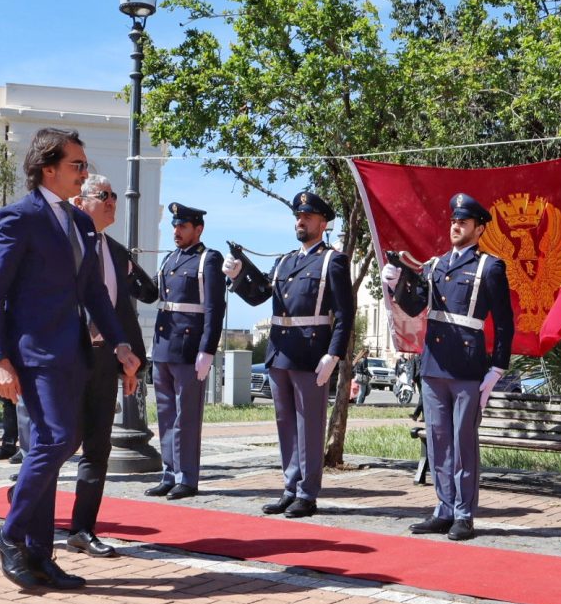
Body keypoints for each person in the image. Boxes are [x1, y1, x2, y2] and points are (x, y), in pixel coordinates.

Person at [0, 128, 140, 589]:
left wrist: (121, 343)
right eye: (77, 165)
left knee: (59, 445)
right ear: (48, 168)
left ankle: (39, 554)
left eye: (84, 165)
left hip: (73, 350)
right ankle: (10, 536)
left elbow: (94, 291)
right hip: (32, 352)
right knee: (56, 440)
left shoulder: (81, 222)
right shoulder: (18, 218)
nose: (84, 172)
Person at [382, 193, 514, 541]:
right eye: (454, 221)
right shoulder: (436, 265)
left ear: (479, 228)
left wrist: (497, 368)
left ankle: (464, 513)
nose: (456, 226)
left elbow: (504, 323)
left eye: (464, 222)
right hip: (434, 365)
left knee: (463, 442)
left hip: (468, 367)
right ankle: (443, 508)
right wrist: (396, 284)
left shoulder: (490, 267)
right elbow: (414, 307)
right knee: (439, 440)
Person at [223, 192, 354, 518]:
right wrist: (237, 276)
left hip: (311, 354)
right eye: (298, 216)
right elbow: (259, 297)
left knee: (309, 426)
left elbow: (345, 313)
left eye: (307, 217)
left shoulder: (332, 261)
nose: (300, 220)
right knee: (285, 426)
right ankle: (289, 487)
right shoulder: (283, 261)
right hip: (279, 353)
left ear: (322, 224)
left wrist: (333, 354)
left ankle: (307, 494)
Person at [66, 174, 154, 557]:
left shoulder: (117, 252)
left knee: (97, 447)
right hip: (66, 357)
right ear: (80, 201)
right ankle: (24, 506)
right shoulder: (65, 244)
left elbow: (123, 311)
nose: (112, 201)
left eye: (115, 195)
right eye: (104, 195)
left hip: (105, 358)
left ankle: (82, 529)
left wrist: (130, 363)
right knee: (58, 442)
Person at [143, 202, 224, 501]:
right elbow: (153, 294)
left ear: (197, 229)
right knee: (165, 416)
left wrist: (208, 349)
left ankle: (186, 477)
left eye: (183, 226)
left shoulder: (208, 260)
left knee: (186, 418)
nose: (176, 231)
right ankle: (169, 473)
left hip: (190, 349)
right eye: (175, 226)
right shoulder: (169, 260)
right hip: (164, 347)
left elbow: (215, 309)